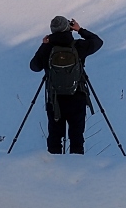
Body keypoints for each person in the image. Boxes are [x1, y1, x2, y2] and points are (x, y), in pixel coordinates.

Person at [28, 15, 104, 155]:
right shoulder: (78, 46)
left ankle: (55, 171)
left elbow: (34, 66)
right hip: (77, 97)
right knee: (77, 138)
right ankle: (76, 169)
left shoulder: (48, 48)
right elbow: (98, 42)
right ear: (68, 28)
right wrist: (80, 29)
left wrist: (44, 46)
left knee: (55, 138)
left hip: (55, 101)